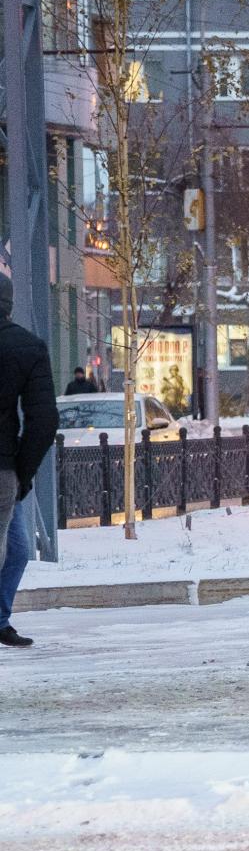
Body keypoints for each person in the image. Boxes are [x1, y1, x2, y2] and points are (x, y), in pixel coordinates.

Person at [0, 272, 56, 651]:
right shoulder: (26, 347)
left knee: (18, 548)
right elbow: (44, 420)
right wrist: (22, 471)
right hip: (3, 467)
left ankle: (0, 618)